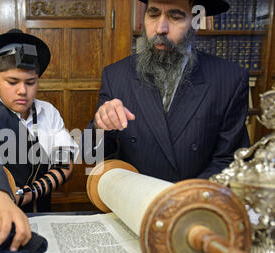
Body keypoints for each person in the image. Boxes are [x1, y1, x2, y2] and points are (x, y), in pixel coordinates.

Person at [86, 0, 250, 182]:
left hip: (191, 203)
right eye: (153, 14)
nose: (160, 29)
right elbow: (89, 155)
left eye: (175, 17)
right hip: (133, 202)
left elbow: (231, 161)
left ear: (196, 21)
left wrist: (182, 198)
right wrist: (99, 127)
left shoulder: (230, 79)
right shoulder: (115, 75)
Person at [0, 29, 79, 251]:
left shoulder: (48, 112)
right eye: (13, 82)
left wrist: (27, 194)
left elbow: (64, 165)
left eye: (30, 82)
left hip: (41, 214)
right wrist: (0, 195)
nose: (23, 91)